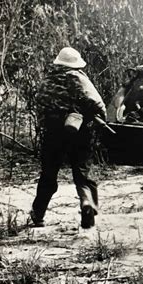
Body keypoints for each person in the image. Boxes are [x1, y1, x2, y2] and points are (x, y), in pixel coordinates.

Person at [30, 47, 106, 229]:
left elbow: (39, 106)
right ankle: (87, 203)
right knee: (82, 172)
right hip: (78, 131)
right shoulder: (78, 77)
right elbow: (96, 102)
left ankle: (38, 213)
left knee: (48, 174)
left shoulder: (47, 80)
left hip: (52, 133)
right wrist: (100, 118)